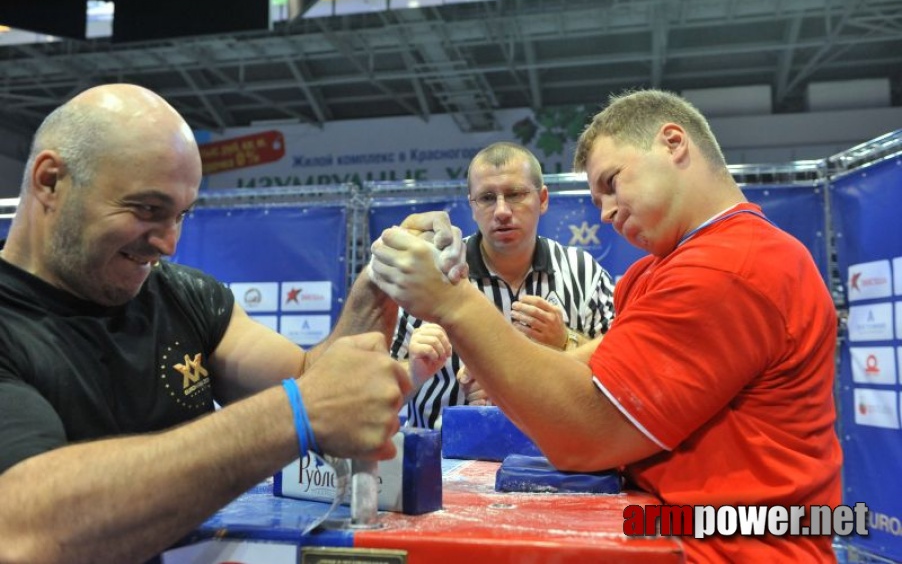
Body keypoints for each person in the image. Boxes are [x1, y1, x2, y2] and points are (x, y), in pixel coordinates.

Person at [0, 83, 465, 564]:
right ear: (50, 181)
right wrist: (295, 415)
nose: (168, 243)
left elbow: (318, 382)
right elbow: (25, 526)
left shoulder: (184, 296)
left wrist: (379, 281)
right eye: (147, 210)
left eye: (181, 215)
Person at [370, 89, 843, 562]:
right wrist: (497, 357)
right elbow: (599, 367)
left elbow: (586, 434)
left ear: (674, 143)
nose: (606, 212)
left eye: (613, 183)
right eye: (598, 197)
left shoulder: (730, 266)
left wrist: (455, 304)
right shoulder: (658, 269)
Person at [389, 141, 615, 428]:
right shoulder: (430, 275)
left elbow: (621, 376)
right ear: (472, 206)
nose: (502, 211)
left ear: (543, 199)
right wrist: (415, 371)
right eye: (486, 198)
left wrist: (566, 342)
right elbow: (371, 398)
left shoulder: (584, 274)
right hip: (439, 461)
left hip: (553, 464)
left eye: (515, 194)